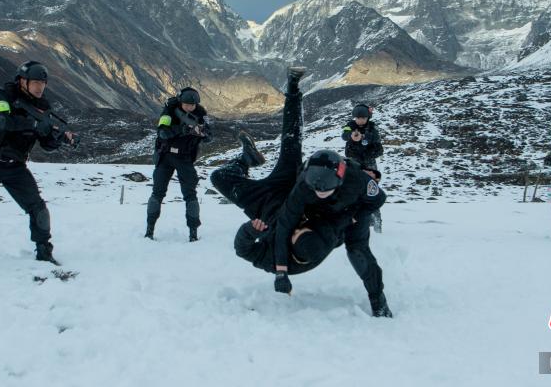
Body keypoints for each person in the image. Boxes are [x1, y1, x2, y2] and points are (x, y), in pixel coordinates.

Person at [210, 68, 392, 317]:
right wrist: (282, 272)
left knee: (358, 250)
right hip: (295, 191)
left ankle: (378, 301)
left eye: (295, 234)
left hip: (278, 202)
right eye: (300, 230)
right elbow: (287, 222)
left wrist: (261, 244)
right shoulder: (310, 186)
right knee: (291, 143)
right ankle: (292, 91)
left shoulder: (348, 187)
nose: (296, 229)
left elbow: (377, 200)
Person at [0, 61, 76, 267]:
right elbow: (1, 122)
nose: (40, 87)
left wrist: (59, 138)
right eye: (35, 82)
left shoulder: (43, 108)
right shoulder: (4, 97)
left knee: (38, 209)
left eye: (43, 83)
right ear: (22, 81)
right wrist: (33, 124)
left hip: (15, 166)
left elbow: (46, 144)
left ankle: (44, 252)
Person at [146, 86, 212, 242]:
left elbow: (210, 135)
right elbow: (162, 132)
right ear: (181, 102)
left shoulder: (201, 114)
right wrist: (181, 130)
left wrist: (203, 133)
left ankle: (193, 233)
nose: (189, 107)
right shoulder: (169, 111)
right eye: (186, 104)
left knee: (190, 195)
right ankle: (149, 230)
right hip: (166, 156)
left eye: (192, 105)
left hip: (185, 159)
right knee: (157, 193)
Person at [341, 103, 385, 232]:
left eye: (363, 118)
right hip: (354, 163)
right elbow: (344, 135)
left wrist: (364, 137)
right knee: (353, 190)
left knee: (372, 190)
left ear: (368, 118)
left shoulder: (372, 128)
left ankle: (376, 222)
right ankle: (354, 222)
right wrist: (351, 136)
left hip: (369, 163)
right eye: (358, 118)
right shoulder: (350, 125)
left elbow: (376, 139)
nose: (360, 120)